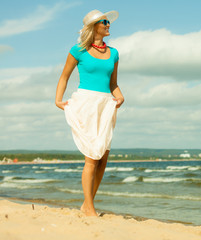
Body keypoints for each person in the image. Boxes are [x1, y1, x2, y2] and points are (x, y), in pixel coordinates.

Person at [55, 10, 124, 216]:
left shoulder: (114, 53)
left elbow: (113, 83)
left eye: (108, 21)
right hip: (86, 102)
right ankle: (90, 209)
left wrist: (121, 97)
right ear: (94, 26)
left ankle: (87, 204)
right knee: (91, 157)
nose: (108, 24)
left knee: (103, 157)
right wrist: (58, 100)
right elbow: (64, 77)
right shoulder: (78, 51)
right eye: (105, 22)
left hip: (106, 104)